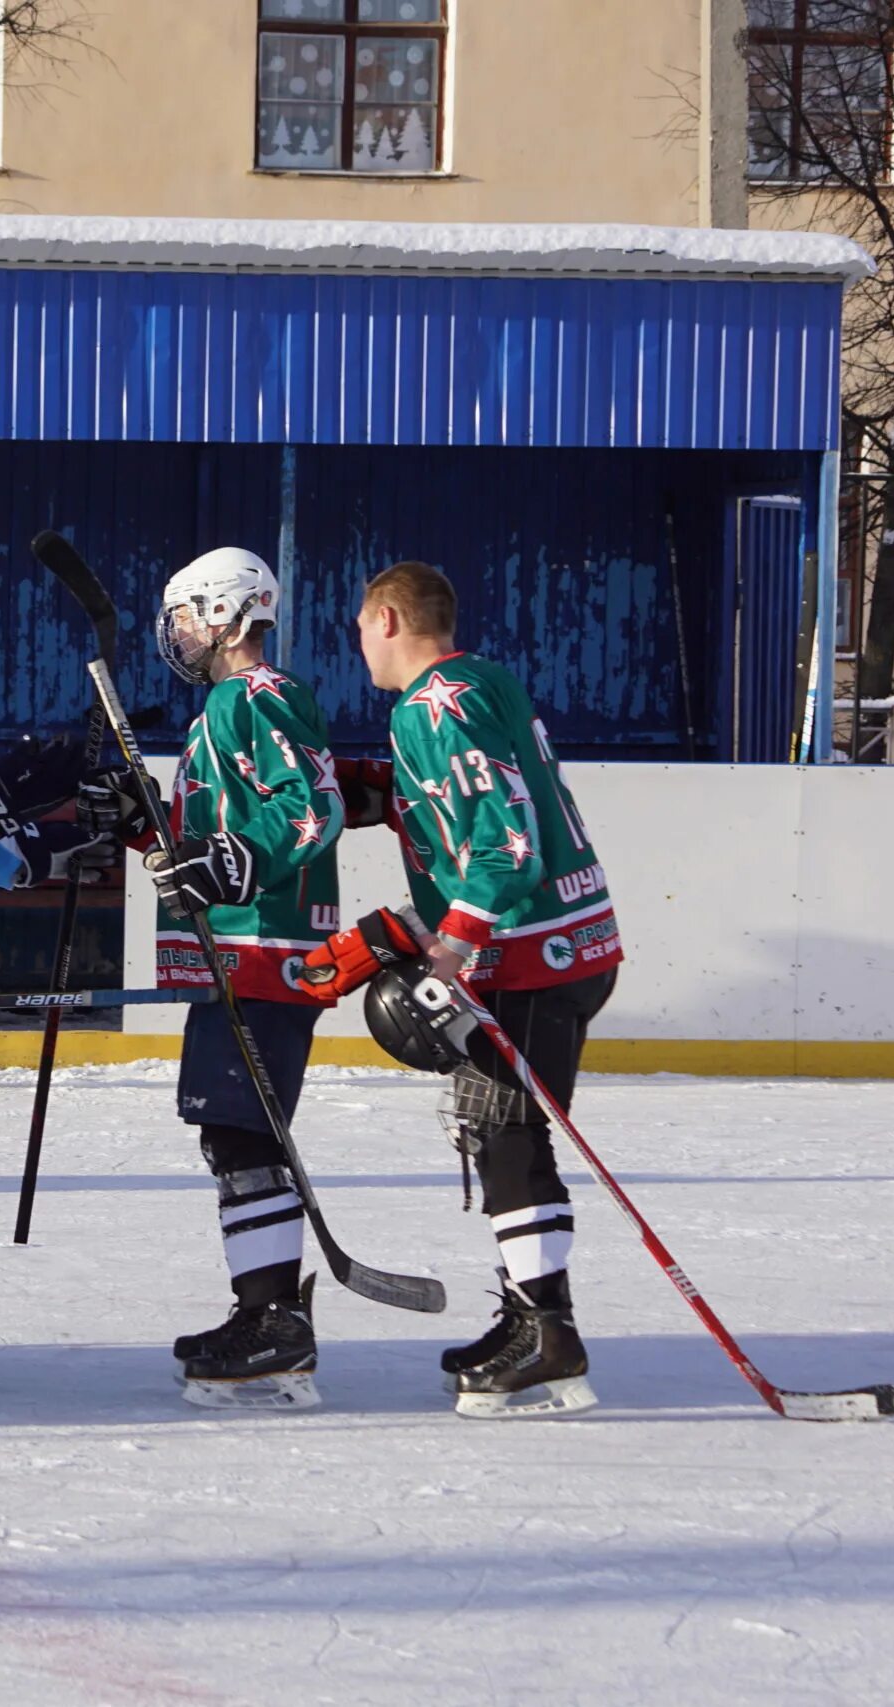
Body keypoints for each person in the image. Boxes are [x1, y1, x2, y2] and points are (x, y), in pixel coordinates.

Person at [301, 559, 622, 1419]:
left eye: (362, 627)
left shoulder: (433, 707)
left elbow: (507, 843)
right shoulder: (484, 681)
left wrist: (453, 941)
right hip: (574, 941)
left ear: (390, 619)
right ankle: (534, 1318)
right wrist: (372, 788)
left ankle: (547, 1335)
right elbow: (458, 808)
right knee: (501, 1132)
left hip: (527, 954)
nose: (359, 644)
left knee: (506, 1136)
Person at [113, 547, 348, 1410]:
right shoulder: (221, 707)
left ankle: (275, 1322)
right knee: (232, 1134)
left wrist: (235, 858)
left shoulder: (260, 696)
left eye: (182, 615)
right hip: (238, 956)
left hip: (266, 956)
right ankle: (264, 1308)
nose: (174, 634)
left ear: (222, 612)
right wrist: (146, 825)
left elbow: (312, 806)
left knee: (244, 1137)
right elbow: (211, 848)